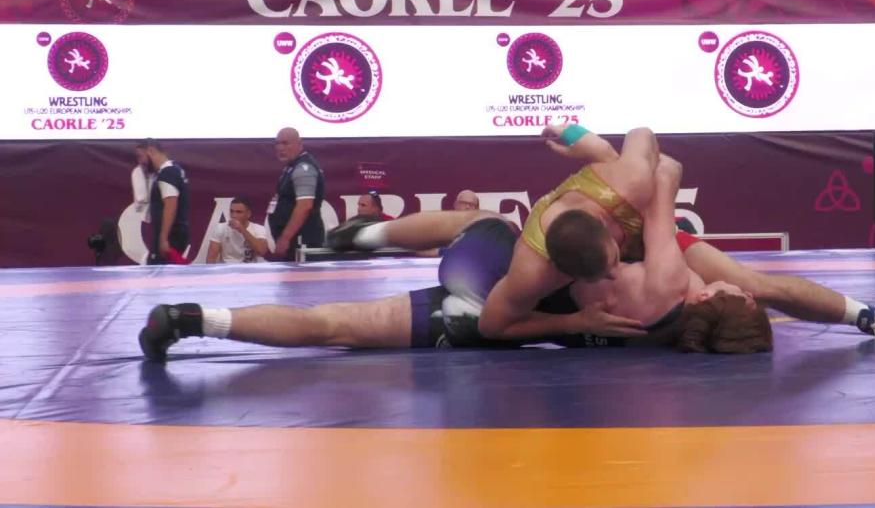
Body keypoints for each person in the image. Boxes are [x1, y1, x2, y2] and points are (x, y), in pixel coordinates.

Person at [332, 123, 875, 342]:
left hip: (620, 227)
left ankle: (365, 238)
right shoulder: (603, 211)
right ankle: (365, 238)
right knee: (477, 223)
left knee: (475, 224)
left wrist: (581, 140)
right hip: (625, 231)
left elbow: (636, 154)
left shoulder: (605, 198)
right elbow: (652, 161)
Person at [137, 161, 774, 361]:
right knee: (332, 325)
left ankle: (363, 236)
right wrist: (578, 325)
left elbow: (662, 171)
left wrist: (622, 184)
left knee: (480, 223)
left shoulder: (666, 279)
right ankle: (191, 319)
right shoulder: (667, 340)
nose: (747, 290)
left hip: (498, 290)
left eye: (745, 299)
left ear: (713, 300)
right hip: (481, 325)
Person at [268, 127, 325, 259]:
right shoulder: (291, 167)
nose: (280, 148)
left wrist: (285, 238)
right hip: (294, 242)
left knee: (302, 272)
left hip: (301, 241)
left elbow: (305, 206)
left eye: (285, 143)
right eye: (277, 143)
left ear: (299, 143)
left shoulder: (304, 168)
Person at [141, 139, 189, 265]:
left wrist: (163, 239)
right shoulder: (175, 169)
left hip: (171, 236)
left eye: (141, 156)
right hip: (176, 233)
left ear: (150, 151)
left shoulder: (167, 173)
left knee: (159, 272)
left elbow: (170, 204)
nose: (141, 162)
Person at [204, 197, 273, 264]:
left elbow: (262, 251)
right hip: (227, 268)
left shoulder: (258, 228)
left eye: (239, 212)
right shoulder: (221, 228)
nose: (233, 215)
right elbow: (211, 258)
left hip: (249, 268)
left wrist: (242, 229)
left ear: (248, 214)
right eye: (231, 211)